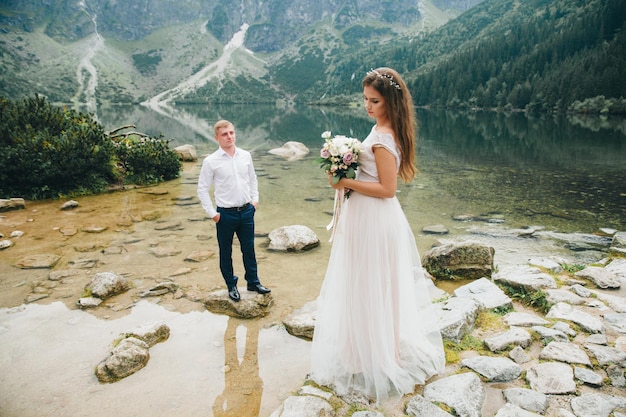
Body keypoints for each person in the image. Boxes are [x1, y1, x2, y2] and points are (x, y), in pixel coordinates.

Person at [309, 68, 445, 402]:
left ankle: (379, 355)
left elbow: (387, 189)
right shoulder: (382, 129)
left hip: (375, 217)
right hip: (367, 216)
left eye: (375, 101)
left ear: (390, 101)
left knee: (373, 282)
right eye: (366, 99)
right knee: (367, 281)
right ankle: (364, 349)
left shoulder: (384, 139)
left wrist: (345, 181)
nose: (368, 106)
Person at [197, 120, 270, 302]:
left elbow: (253, 179)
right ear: (217, 138)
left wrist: (255, 200)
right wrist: (213, 214)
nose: (229, 137)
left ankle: (253, 282)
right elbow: (202, 189)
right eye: (224, 134)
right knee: (225, 252)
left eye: (231, 133)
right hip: (225, 214)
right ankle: (231, 285)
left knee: (249, 249)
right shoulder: (211, 161)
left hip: (246, 211)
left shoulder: (245, 155)